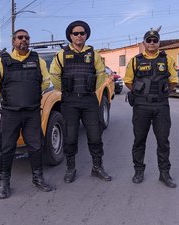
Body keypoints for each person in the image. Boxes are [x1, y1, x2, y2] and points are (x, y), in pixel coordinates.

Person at [0, 29, 52, 199]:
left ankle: (38, 178)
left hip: (31, 112)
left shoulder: (37, 60)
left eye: (26, 37)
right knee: (6, 147)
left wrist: (32, 93)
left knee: (36, 146)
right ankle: (4, 182)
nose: (23, 40)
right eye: (20, 37)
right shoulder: (3, 61)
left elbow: (46, 82)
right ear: (13, 41)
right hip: (11, 112)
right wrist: (8, 95)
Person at [50, 20, 112, 183]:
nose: (79, 36)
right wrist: (65, 90)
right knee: (70, 137)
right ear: (70, 36)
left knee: (95, 136)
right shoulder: (61, 55)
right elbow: (54, 76)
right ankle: (71, 169)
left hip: (89, 100)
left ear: (86, 35)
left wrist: (90, 89)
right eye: (75, 33)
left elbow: (101, 74)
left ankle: (97, 167)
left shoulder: (94, 54)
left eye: (82, 33)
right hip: (69, 101)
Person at [124, 29, 178, 188]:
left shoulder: (167, 59)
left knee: (163, 141)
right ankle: (138, 170)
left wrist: (164, 90)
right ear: (144, 43)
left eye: (155, 40)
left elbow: (173, 80)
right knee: (139, 140)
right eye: (149, 40)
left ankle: (164, 173)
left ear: (159, 42)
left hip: (161, 105)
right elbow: (128, 81)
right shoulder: (135, 60)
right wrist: (141, 91)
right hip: (141, 106)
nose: (152, 43)